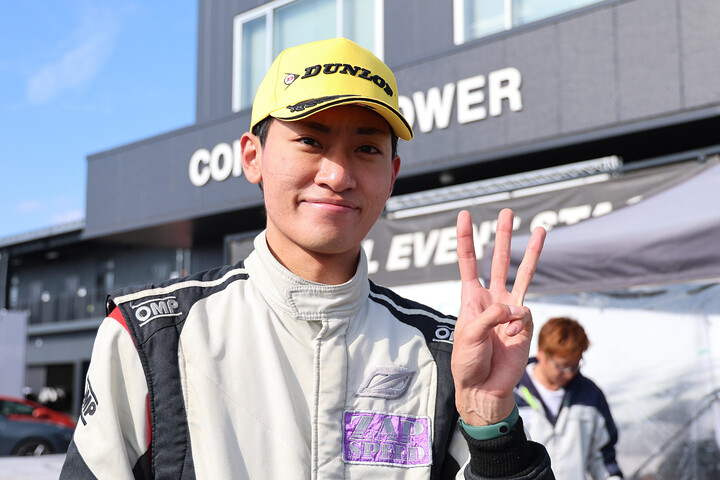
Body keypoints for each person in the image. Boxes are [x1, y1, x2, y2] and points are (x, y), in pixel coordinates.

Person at [61, 37, 551, 479]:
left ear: (392, 174)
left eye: (366, 148)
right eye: (310, 141)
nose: (337, 175)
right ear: (252, 156)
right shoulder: (152, 336)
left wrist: (489, 418)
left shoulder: (445, 354)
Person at [515, 317, 623, 480]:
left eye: (575, 366)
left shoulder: (590, 395)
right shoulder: (512, 392)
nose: (570, 374)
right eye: (563, 366)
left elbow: (602, 456)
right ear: (541, 353)